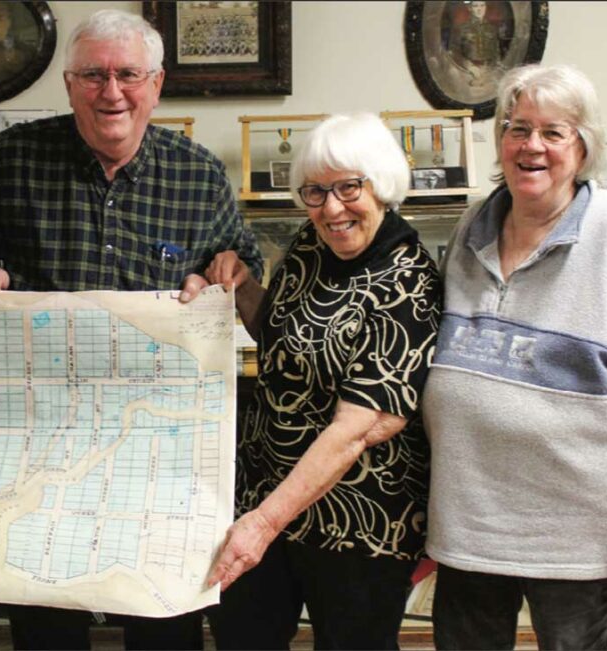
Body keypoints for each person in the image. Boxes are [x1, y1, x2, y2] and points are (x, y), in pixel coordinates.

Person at [0, 9, 263, 650]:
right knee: (45, 623)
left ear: (156, 83)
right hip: (41, 452)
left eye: (127, 74)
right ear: (69, 84)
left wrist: (229, 273)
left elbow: (244, 264)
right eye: (93, 75)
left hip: (158, 456)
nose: (111, 92)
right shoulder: (12, 160)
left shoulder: (198, 174)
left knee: (165, 626)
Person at [422, 63, 607, 650]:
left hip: (575, 538)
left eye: (554, 133)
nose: (532, 147)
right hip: (468, 525)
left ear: (583, 147)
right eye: (518, 128)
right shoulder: (473, 224)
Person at [186, 113, 442, 650]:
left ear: (382, 186)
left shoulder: (409, 281)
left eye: (349, 187)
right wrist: (242, 285)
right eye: (316, 191)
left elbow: (358, 426)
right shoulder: (311, 244)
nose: (331, 208)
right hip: (264, 495)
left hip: (358, 520)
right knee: (241, 638)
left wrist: (262, 524)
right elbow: (280, 334)